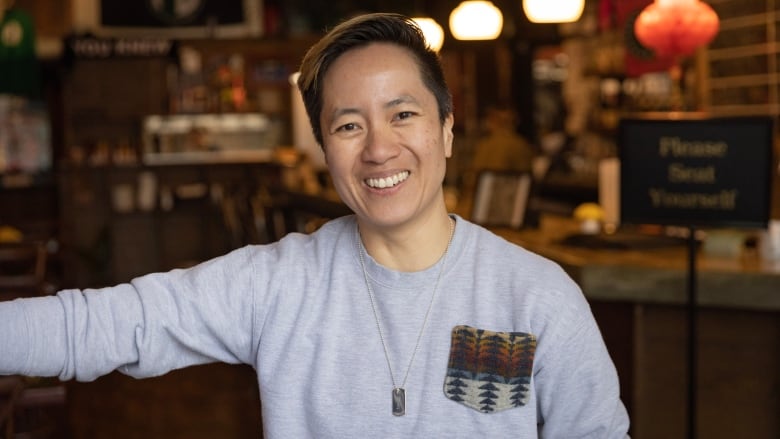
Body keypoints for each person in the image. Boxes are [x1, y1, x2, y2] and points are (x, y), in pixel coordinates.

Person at [0, 13, 630, 438]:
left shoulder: (536, 297)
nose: (379, 149)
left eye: (403, 114)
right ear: (325, 149)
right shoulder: (279, 283)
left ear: (445, 128)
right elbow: (107, 325)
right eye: (348, 125)